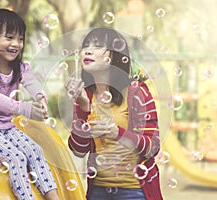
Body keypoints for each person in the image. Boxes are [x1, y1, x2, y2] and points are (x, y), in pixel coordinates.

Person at [0, 8, 60, 200]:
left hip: (6, 127)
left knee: (36, 151)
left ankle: (54, 198)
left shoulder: (21, 68)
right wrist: (23, 108)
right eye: (9, 37)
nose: (16, 44)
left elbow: (33, 84)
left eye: (20, 39)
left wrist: (41, 98)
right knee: (16, 157)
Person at [64, 27, 163, 200]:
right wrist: (83, 107)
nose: (87, 50)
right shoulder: (85, 95)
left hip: (134, 190)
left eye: (97, 46)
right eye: (85, 45)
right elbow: (78, 149)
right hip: (98, 190)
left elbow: (152, 146)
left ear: (113, 56)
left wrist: (118, 134)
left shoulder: (136, 92)